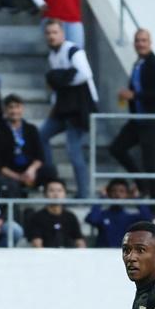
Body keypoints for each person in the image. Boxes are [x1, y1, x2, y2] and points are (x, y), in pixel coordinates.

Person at [110, 29, 155, 202]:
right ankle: (142, 184)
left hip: (153, 120)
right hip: (138, 119)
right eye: (137, 40)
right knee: (117, 148)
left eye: (144, 40)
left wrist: (135, 95)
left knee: (150, 161)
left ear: (150, 43)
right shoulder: (138, 64)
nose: (140, 44)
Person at [41, 19, 96, 201]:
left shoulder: (73, 50)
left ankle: (84, 194)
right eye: (48, 33)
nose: (51, 36)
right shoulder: (52, 56)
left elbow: (85, 74)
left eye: (54, 32)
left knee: (74, 150)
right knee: (41, 136)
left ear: (62, 33)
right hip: (62, 107)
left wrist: (63, 81)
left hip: (79, 108)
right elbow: (56, 85)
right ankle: (51, 178)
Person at [0, 94, 49, 194]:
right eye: (10, 107)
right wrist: (18, 177)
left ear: (22, 108)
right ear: (5, 110)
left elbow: (40, 157)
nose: (14, 111)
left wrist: (31, 170)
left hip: (29, 170)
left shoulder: (31, 129)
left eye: (17, 107)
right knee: (4, 182)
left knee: (50, 171)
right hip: (10, 171)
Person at [85, 178, 153, 248]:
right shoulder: (103, 215)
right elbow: (92, 219)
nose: (117, 194)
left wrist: (136, 198)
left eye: (122, 191)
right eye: (114, 191)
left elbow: (148, 219)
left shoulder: (131, 217)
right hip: (103, 255)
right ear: (108, 194)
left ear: (127, 195)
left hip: (123, 255)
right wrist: (102, 197)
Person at [25, 178, 84, 248]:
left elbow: (79, 241)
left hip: (68, 256)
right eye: (51, 191)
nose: (56, 194)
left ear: (65, 194)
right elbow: (37, 244)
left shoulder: (70, 217)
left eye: (59, 191)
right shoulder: (37, 217)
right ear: (45, 194)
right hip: (45, 256)